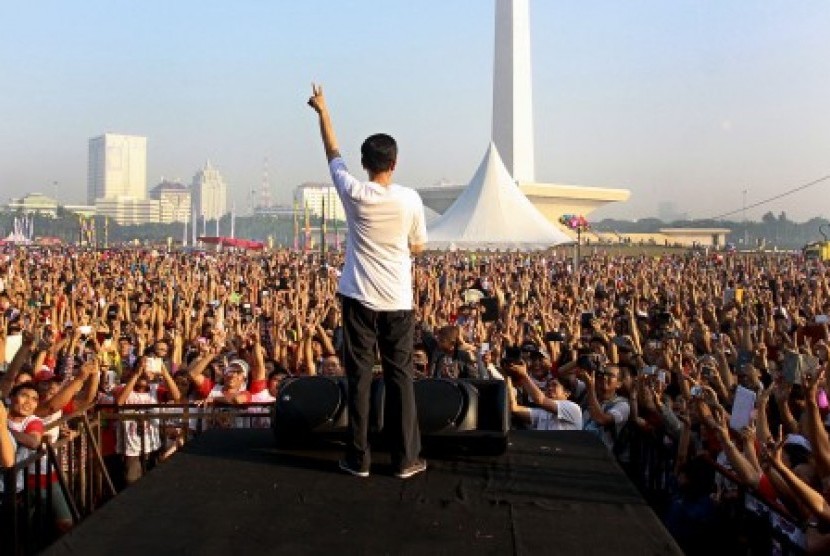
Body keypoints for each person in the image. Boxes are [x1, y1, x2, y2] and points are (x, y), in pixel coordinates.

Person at [308, 83, 427, 479]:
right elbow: (419, 246)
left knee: (358, 378)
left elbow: (331, 153)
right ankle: (405, 459)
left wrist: (323, 111)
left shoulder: (354, 191)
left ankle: (357, 458)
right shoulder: (410, 199)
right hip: (397, 299)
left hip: (358, 296)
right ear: (394, 163)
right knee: (401, 380)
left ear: (365, 163)